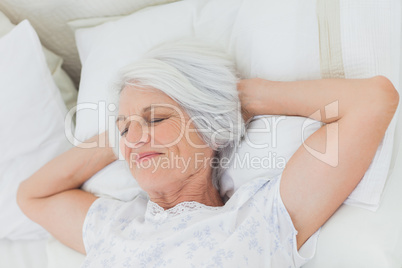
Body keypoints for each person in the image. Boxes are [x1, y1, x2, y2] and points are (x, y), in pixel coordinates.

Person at [17, 39, 399, 267]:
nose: (132, 140)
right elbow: (32, 194)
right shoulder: (113, 227)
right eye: (124, 130)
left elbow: (372, 100)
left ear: (209, 130)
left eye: (157, 119)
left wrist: (234, 100)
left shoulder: (262, 217)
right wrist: (125, 130)